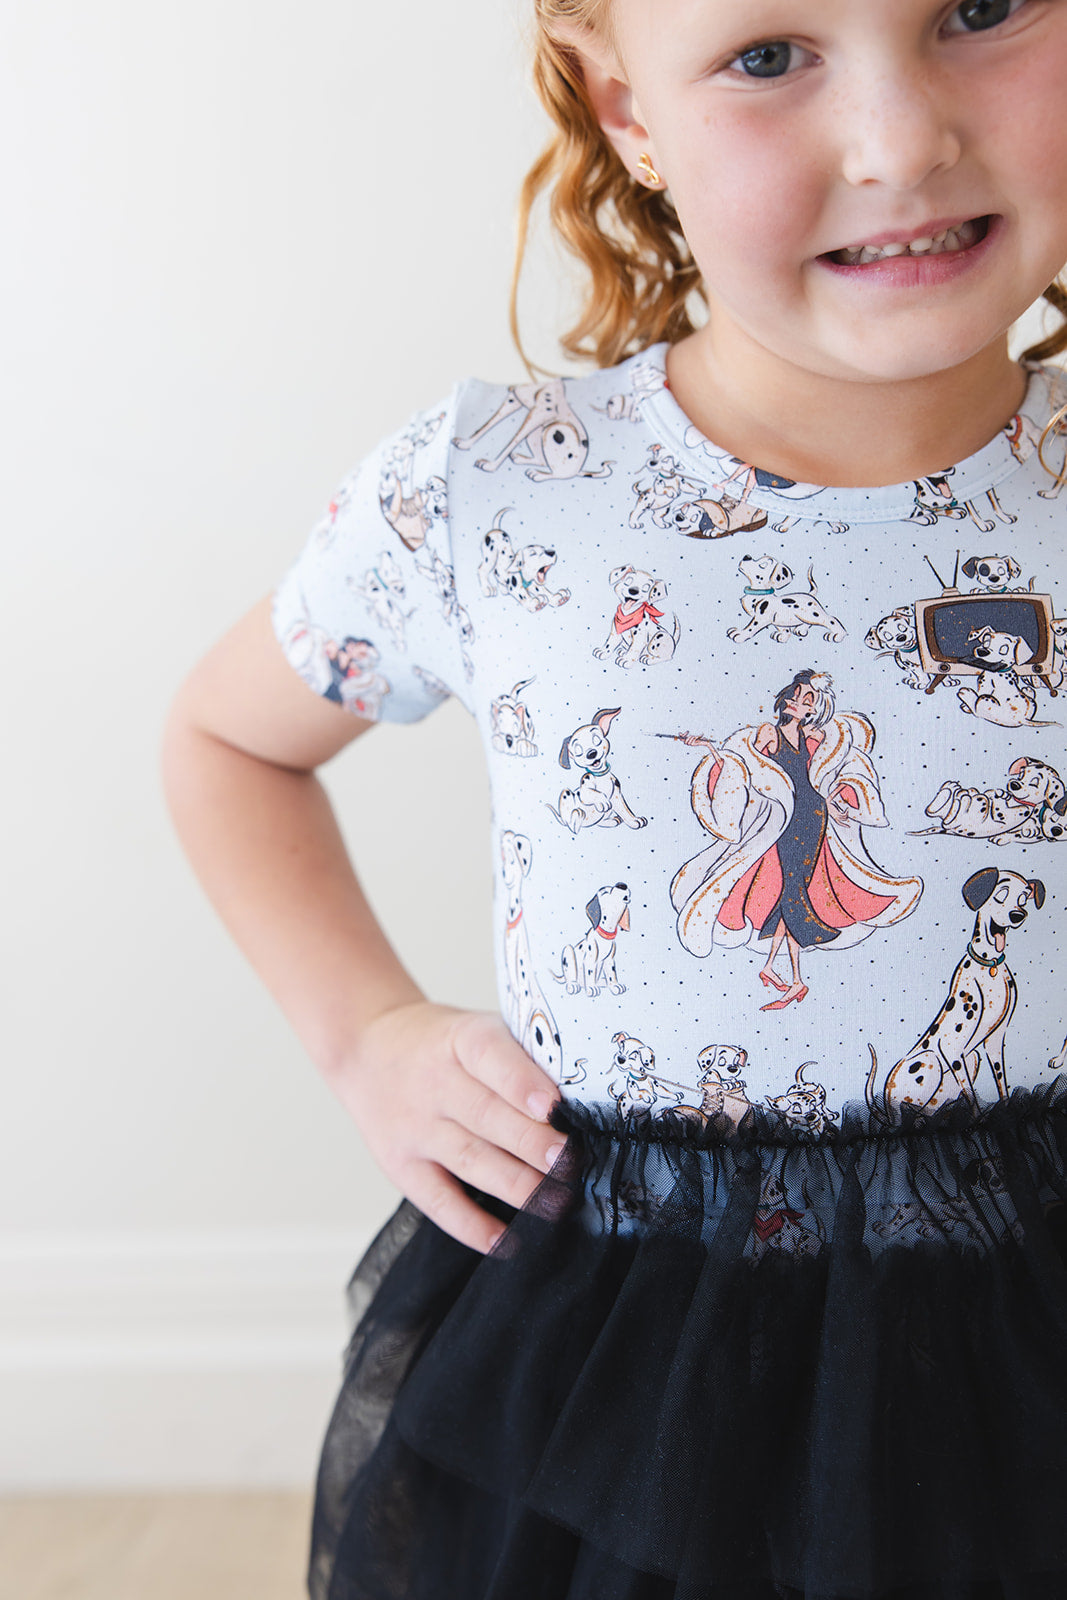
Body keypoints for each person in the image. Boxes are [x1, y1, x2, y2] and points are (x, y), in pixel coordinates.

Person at [161, 1, 1067, 1595]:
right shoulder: (497, 491)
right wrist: (367, 1034)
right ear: (628, 110)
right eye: (769, 55)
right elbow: (230, 741)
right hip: (639, 1353)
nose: (900, 140)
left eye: (980, 9)